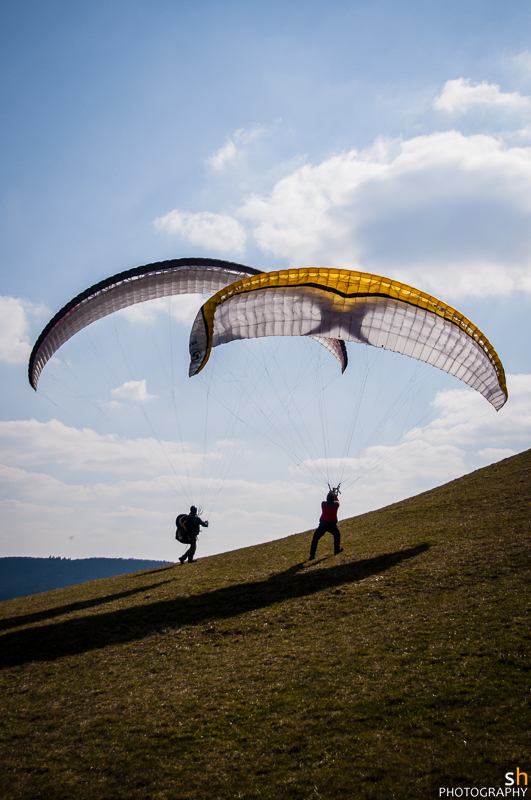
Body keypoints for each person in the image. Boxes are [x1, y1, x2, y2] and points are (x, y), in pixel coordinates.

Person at [309, 490, 343, 560]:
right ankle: (336, 550)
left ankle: (312, 555)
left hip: (323, 526)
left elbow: (330, 501)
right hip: (332, 526)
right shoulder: (335, 505)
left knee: (315, 539)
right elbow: (337, 502)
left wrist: (332, 493)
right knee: (337, 535)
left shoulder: (323, 504)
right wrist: (335, 494)